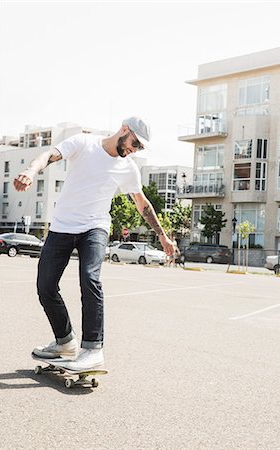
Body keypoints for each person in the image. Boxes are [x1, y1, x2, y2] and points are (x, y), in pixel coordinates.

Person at [14, 117, 174, 370]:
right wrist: (30, 171)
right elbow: (49, 155)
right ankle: (65, 341)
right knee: (45, 287)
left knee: (90, 278)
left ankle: (93, 348)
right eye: (135, 143)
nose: (135, 150)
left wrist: (163, 236)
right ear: (124, 130)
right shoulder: (82, 143)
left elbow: (142, 204)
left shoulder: (128, 167)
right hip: (62, 226)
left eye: (140, 148)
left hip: (95, 227)